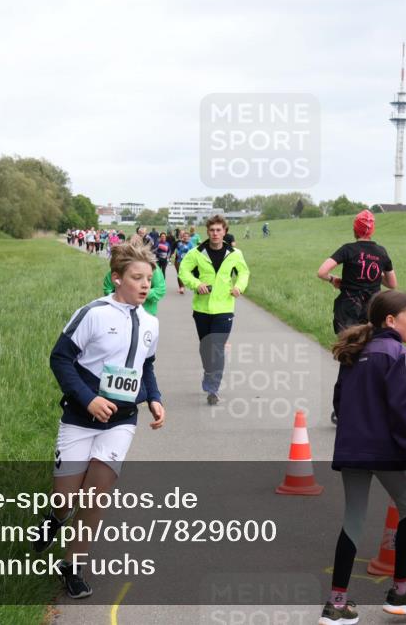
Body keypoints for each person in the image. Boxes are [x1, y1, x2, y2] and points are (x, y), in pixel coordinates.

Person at [39, 242, 166, 598]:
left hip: (121, 421)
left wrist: (154, 399)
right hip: (80, 418)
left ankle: (73, 568)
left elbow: (147, 366)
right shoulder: (93, 313)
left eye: (149, 278)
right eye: (136, 277)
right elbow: (60, 359)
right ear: (116, 279)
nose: (145, 284)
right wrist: (89, 398)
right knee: (65, 497)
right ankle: (55, 517)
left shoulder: (152, 323)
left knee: (95, 497)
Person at [321, 290, 406, 624]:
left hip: (351, 449)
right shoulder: (400, 354)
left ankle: (336, 603)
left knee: (353, 522)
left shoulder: (354, 352)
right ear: (391, 320)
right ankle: (401, 591)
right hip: (387, 452)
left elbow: (339, 404)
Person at [317, 209, 397, 424]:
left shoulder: (348, 249)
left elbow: (321, 271)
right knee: (368, 357)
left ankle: (341, 409)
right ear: (372, 230)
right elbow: (392, 284)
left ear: (355, 229)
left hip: (347, 311)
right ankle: (368, 405)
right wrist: (373, 276)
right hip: (372, 312)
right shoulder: (381, 252)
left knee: (348, 357)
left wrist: (335, 280)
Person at [178, 215, 250, 405]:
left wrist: (239, 287)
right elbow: (183, 271)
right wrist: (196, 284)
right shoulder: (196, 252)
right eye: (212, 230)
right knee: (205, 348)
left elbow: (244, 272)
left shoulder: (234, 253)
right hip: (201, 308)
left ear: (224, 232)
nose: (215, 233)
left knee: (217, 348)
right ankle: (208, 373)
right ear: (207, 232)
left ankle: (213, 388)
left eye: (219, 230)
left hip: (224, 307)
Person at [103, 235, 166, 315]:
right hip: (120, 312)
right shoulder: (119, 266)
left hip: (146, 312)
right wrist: (122, 294)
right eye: (131, 247)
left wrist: (142, 292)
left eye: (136, 247)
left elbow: (160, 290)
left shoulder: (151, 268)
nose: (134, 251)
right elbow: (107, 289)